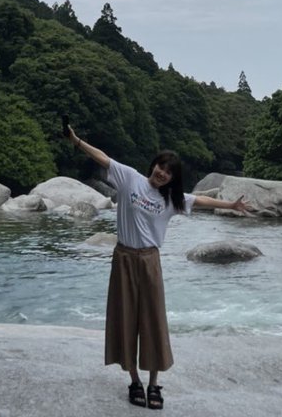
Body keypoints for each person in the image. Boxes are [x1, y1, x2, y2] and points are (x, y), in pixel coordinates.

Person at [67, 125, 250, 409]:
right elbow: (103, 158)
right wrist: (77, 141)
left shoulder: (171, 200)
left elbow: (200, 200)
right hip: (124, 258)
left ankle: (153, 384)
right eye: (160, 167)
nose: (162, 173)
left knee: (152, 321)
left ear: (171, 179)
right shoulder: (130, 179)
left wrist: (231, 205)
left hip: (150, 260)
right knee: (125, 318)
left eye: (168, 172)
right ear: (153, 166)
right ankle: (134, 381)